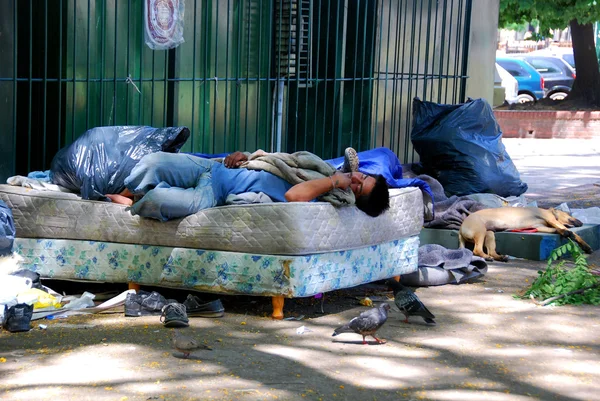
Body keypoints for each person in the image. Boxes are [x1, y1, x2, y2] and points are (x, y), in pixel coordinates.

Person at [106, 149, 390, 221]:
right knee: (154, 163)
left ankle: (132, 204)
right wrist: (245, 156)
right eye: (361, 177)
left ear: (355, 200)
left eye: (358, 187)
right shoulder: (317, 169)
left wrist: (332, 182)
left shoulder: (324, 197)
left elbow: (292, 195)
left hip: (216, 193)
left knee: (163, 201)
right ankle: (123, 193)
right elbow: (276, 161)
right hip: (216, 168)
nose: (355, 179)